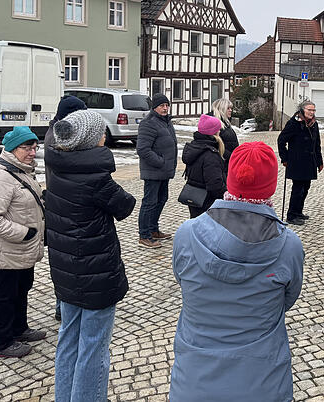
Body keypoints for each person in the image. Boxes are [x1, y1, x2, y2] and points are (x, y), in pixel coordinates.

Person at [170, 142, 304, 402]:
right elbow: (287, 300)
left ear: (230, 179)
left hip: (194, 382)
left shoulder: (186, 234)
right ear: (271, 185)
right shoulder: (289, 246)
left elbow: (182, 280)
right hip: (262, 383)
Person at [44, 110, 136, 402]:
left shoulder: (58, 169)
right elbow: (125, 206)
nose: (104, 136)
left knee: (68, 340)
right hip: (96, 274)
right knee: (94, 347)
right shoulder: (96, 179)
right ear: (91, 139)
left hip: (66, 272)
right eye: (101, 132)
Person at [0, 126, 46, 358]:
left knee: (21, 289)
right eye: (26, 147)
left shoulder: (22, 170)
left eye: (34, 147)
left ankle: (19, 329)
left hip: (22, 251)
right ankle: (0, 343)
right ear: (12, 149)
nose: (32, 152)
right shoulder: (2, 175)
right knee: (5, 296)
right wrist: (24, 233)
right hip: (6, 250)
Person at [43, 94, 87, 322]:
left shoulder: (58, 131)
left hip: (61, 199)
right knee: (65, 258)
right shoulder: (59, 137)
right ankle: (62, 306)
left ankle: (64, 304)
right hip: (62, 201)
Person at [137, 93, 178, 248]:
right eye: (162, 105)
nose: (165, 108)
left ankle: (154, 230)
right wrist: (160, 162)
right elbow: (142, 149)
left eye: (167, 105)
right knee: (149, 202)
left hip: (164, 171)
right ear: (155, 107)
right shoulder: (149, 123)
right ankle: (144, 235)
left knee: (161, 200)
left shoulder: (166, 122)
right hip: (154, 171)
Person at [277, 101, 323, 226]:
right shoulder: (294, 123)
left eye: (313, 110)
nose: (312, 113)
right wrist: (285, 158)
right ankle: (291, 215)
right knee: (298, 189)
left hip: (309, 162)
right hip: (297, 162)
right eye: (309, 110)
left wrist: (319, 161)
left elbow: (317, 144)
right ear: (302, 110)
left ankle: (298, 212)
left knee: (306, 188)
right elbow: (281, 141)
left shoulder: (314, 124)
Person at [181, 114, 227, 219]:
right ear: (214, 133)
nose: (220, 132)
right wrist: (226, 194)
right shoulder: (211, 155)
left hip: (195, 199)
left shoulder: (195, 147)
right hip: (208, 202)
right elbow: (214, 185)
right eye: (218, 130)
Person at [207, 98, 239, 168]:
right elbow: (215, 145)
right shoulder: (214, 124)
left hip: (229, 162)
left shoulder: (225, 123)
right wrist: (231, 156)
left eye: (231, 108)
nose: (231, 110)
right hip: (223, 163)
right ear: (221, 109)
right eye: (228, 108)